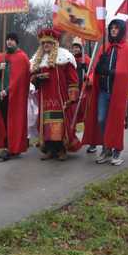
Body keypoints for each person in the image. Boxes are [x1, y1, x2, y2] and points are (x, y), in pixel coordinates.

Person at [83, 17, 128, 166]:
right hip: (103, 91)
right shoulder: (104, 47)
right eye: (111, 28)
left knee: (116, 122)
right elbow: (96, 69)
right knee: (101, 119)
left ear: (121, 30)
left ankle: (116, 151)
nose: (113, 30)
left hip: (117, 93)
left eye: (116, 28)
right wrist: (92, 77)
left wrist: (113, 72)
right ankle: (106, 149)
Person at [30, 28, 81, 161]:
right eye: (43, 43)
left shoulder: (65, 56)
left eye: (48, 42)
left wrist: (72, 95)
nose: (46, 45)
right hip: (44, 98)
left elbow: (73, 78)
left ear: (54, 43)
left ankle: (62, 149)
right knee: (46, 123)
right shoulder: (38, 58)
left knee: (60, 124)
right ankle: (50, 149)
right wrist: (37, 77)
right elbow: (32, 79)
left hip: (61, 97)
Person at [0, 33, 31, 162]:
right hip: (1, 95)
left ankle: (13, 147)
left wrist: (7, 91)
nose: (9, 42)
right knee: (5, 121)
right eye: (8, 39)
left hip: (14, 97)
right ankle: (8, 146)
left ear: (16, 42)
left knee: (14, 121)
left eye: (12, 40)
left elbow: (20, 80)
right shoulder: (1, 57)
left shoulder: (22, 58)